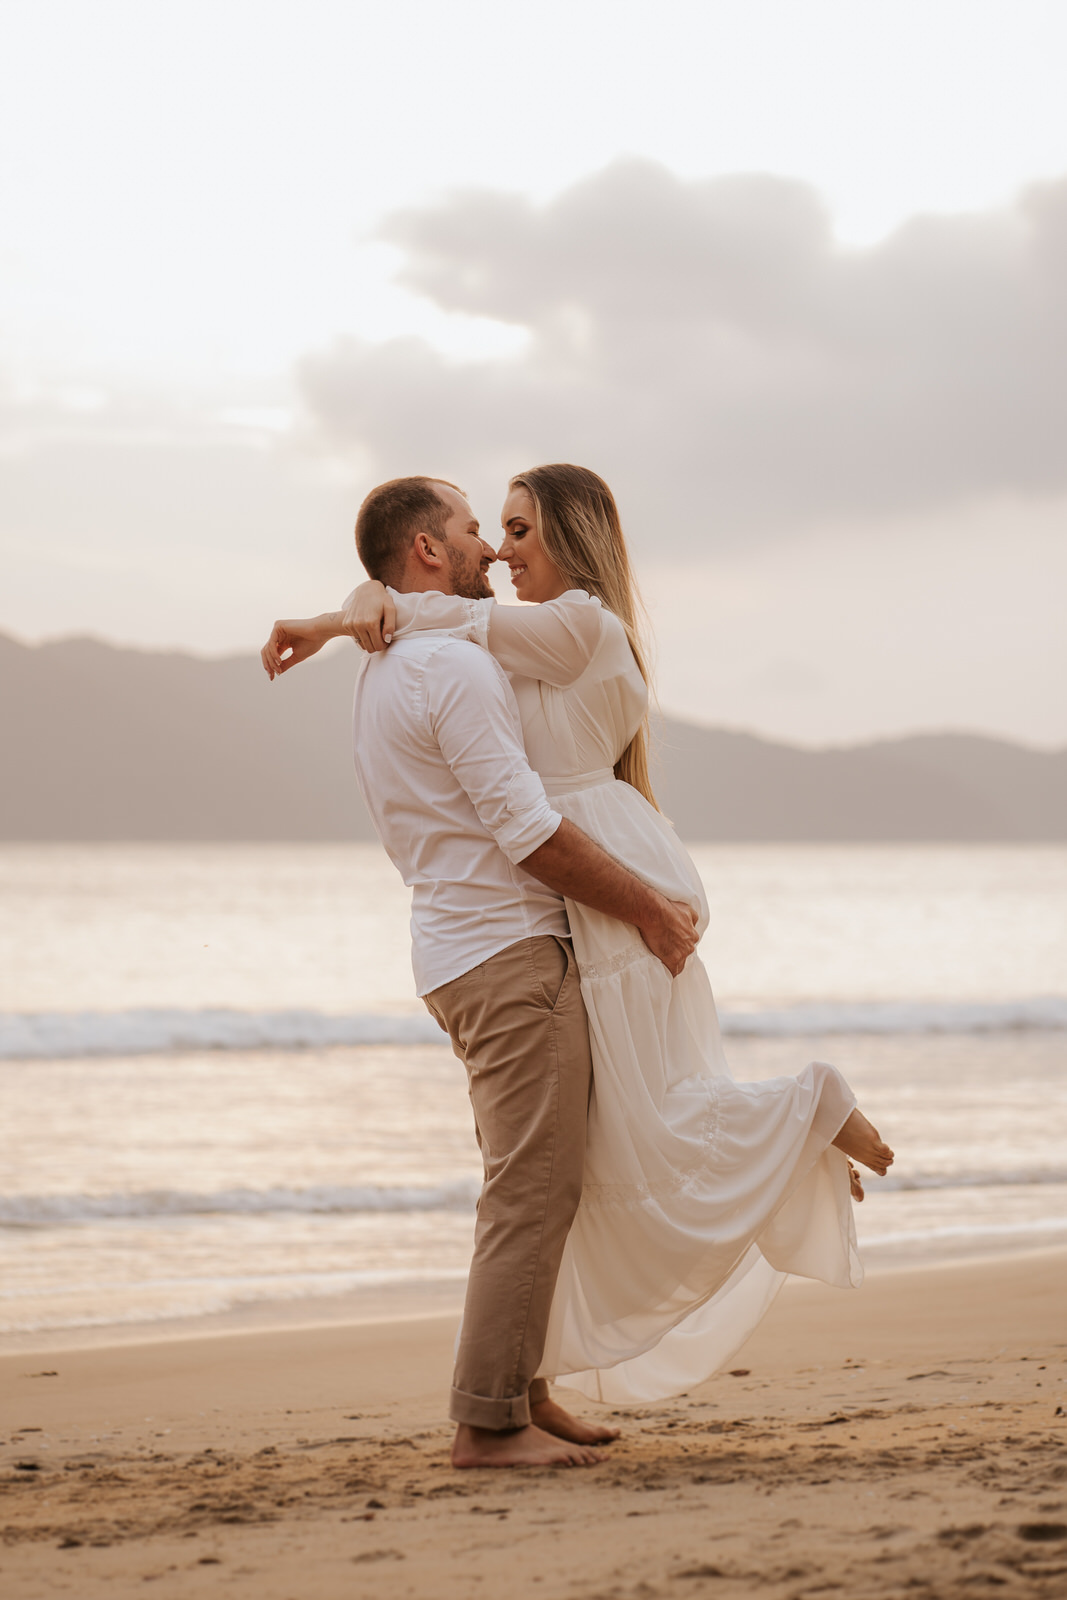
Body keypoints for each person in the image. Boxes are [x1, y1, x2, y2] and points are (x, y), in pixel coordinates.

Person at [264, 465, 894, 1412]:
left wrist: (341, 615)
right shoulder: (500, 648)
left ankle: (807, 1106)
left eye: (517, 530)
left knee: (641, 1116)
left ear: (570, 535)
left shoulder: (581, 625)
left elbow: (449, 620)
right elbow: (437, 624)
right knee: (595, 1150)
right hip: (576, 889)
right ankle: (534, 1374)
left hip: (599, 880)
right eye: (490, 530)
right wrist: (359, 606)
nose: (501, 549)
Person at [262, 475, 700, 1469]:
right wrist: (648, 907)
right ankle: (486, 1425)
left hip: (455, 946)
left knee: (536, 1181)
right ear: (427, 551)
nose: (490, 552)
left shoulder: (392, 665)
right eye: (470, 531)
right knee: (529, 1193)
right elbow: (531, 833)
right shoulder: (451, 672)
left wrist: (343, 615)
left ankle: (523, 1391)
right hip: (504, 950)